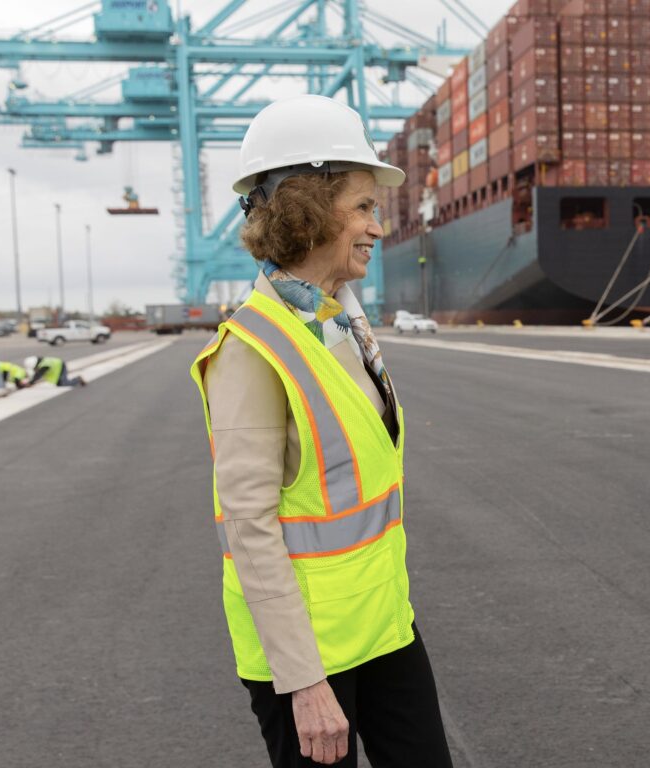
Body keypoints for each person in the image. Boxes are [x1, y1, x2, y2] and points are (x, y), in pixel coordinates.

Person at [189, 94, 451, 768]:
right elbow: (249, 525)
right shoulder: (252, 348)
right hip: (306, 654)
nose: (377, 226)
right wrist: (304, 682)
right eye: (363, 207)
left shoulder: (341, 320)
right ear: (306, 208)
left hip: (385, 626)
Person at [22, 355, 86, 387]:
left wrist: (31, 383)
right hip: (58, 367)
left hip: (61, 367)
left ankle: (78, 379)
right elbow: (36, 373)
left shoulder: (44, 365)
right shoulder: (41, 362)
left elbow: (38, 375)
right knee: (59, 384)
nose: (34, 370)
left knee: (65, 383)